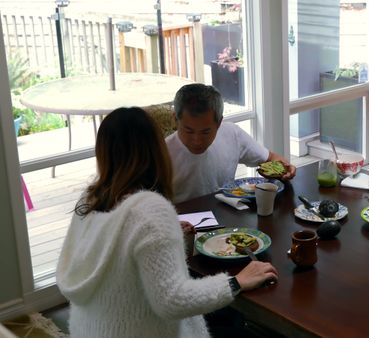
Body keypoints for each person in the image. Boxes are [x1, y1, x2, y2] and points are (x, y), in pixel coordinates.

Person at [56, 107, 278, 337]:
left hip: (92, 330)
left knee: (228, 319)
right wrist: (237, 282)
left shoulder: (88, 199)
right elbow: (173, 300)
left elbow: (114, 252)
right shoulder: (149, 211)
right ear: (155, 150)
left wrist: (167, 234)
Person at [166, 83, 296, 203]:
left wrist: (285, 168)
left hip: (228, 215)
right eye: (189, 131)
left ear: (219, 123)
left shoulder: (231, 133)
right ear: (175, 120)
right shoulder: (162, 153)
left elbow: (270, 158)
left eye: (205, 132)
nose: (197, 140)